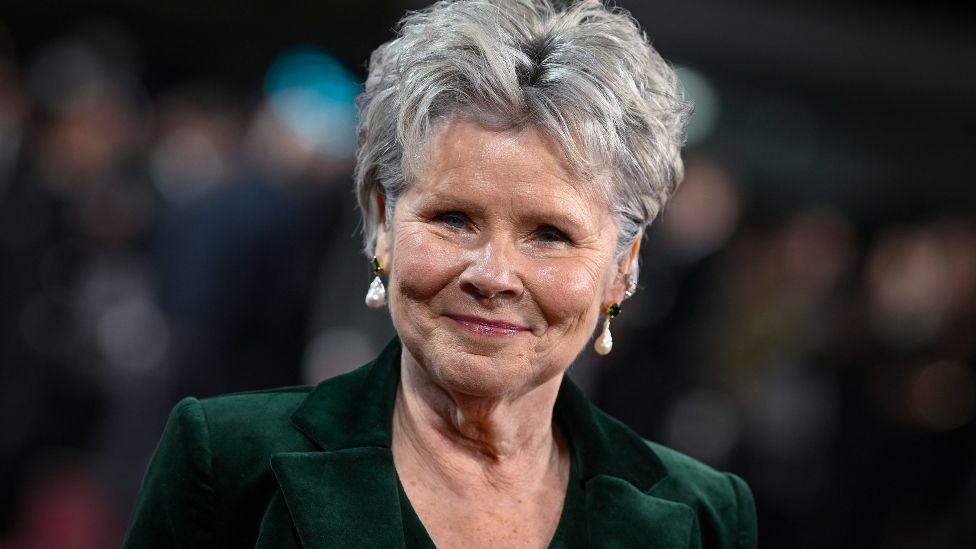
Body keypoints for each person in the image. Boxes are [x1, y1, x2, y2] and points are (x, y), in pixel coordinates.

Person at [123, 0, 757, 547]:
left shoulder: (705, 518)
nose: (495, 274)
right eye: (454, 219)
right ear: (380, 225)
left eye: (550, 234)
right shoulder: (225, 462)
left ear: (623, 268)